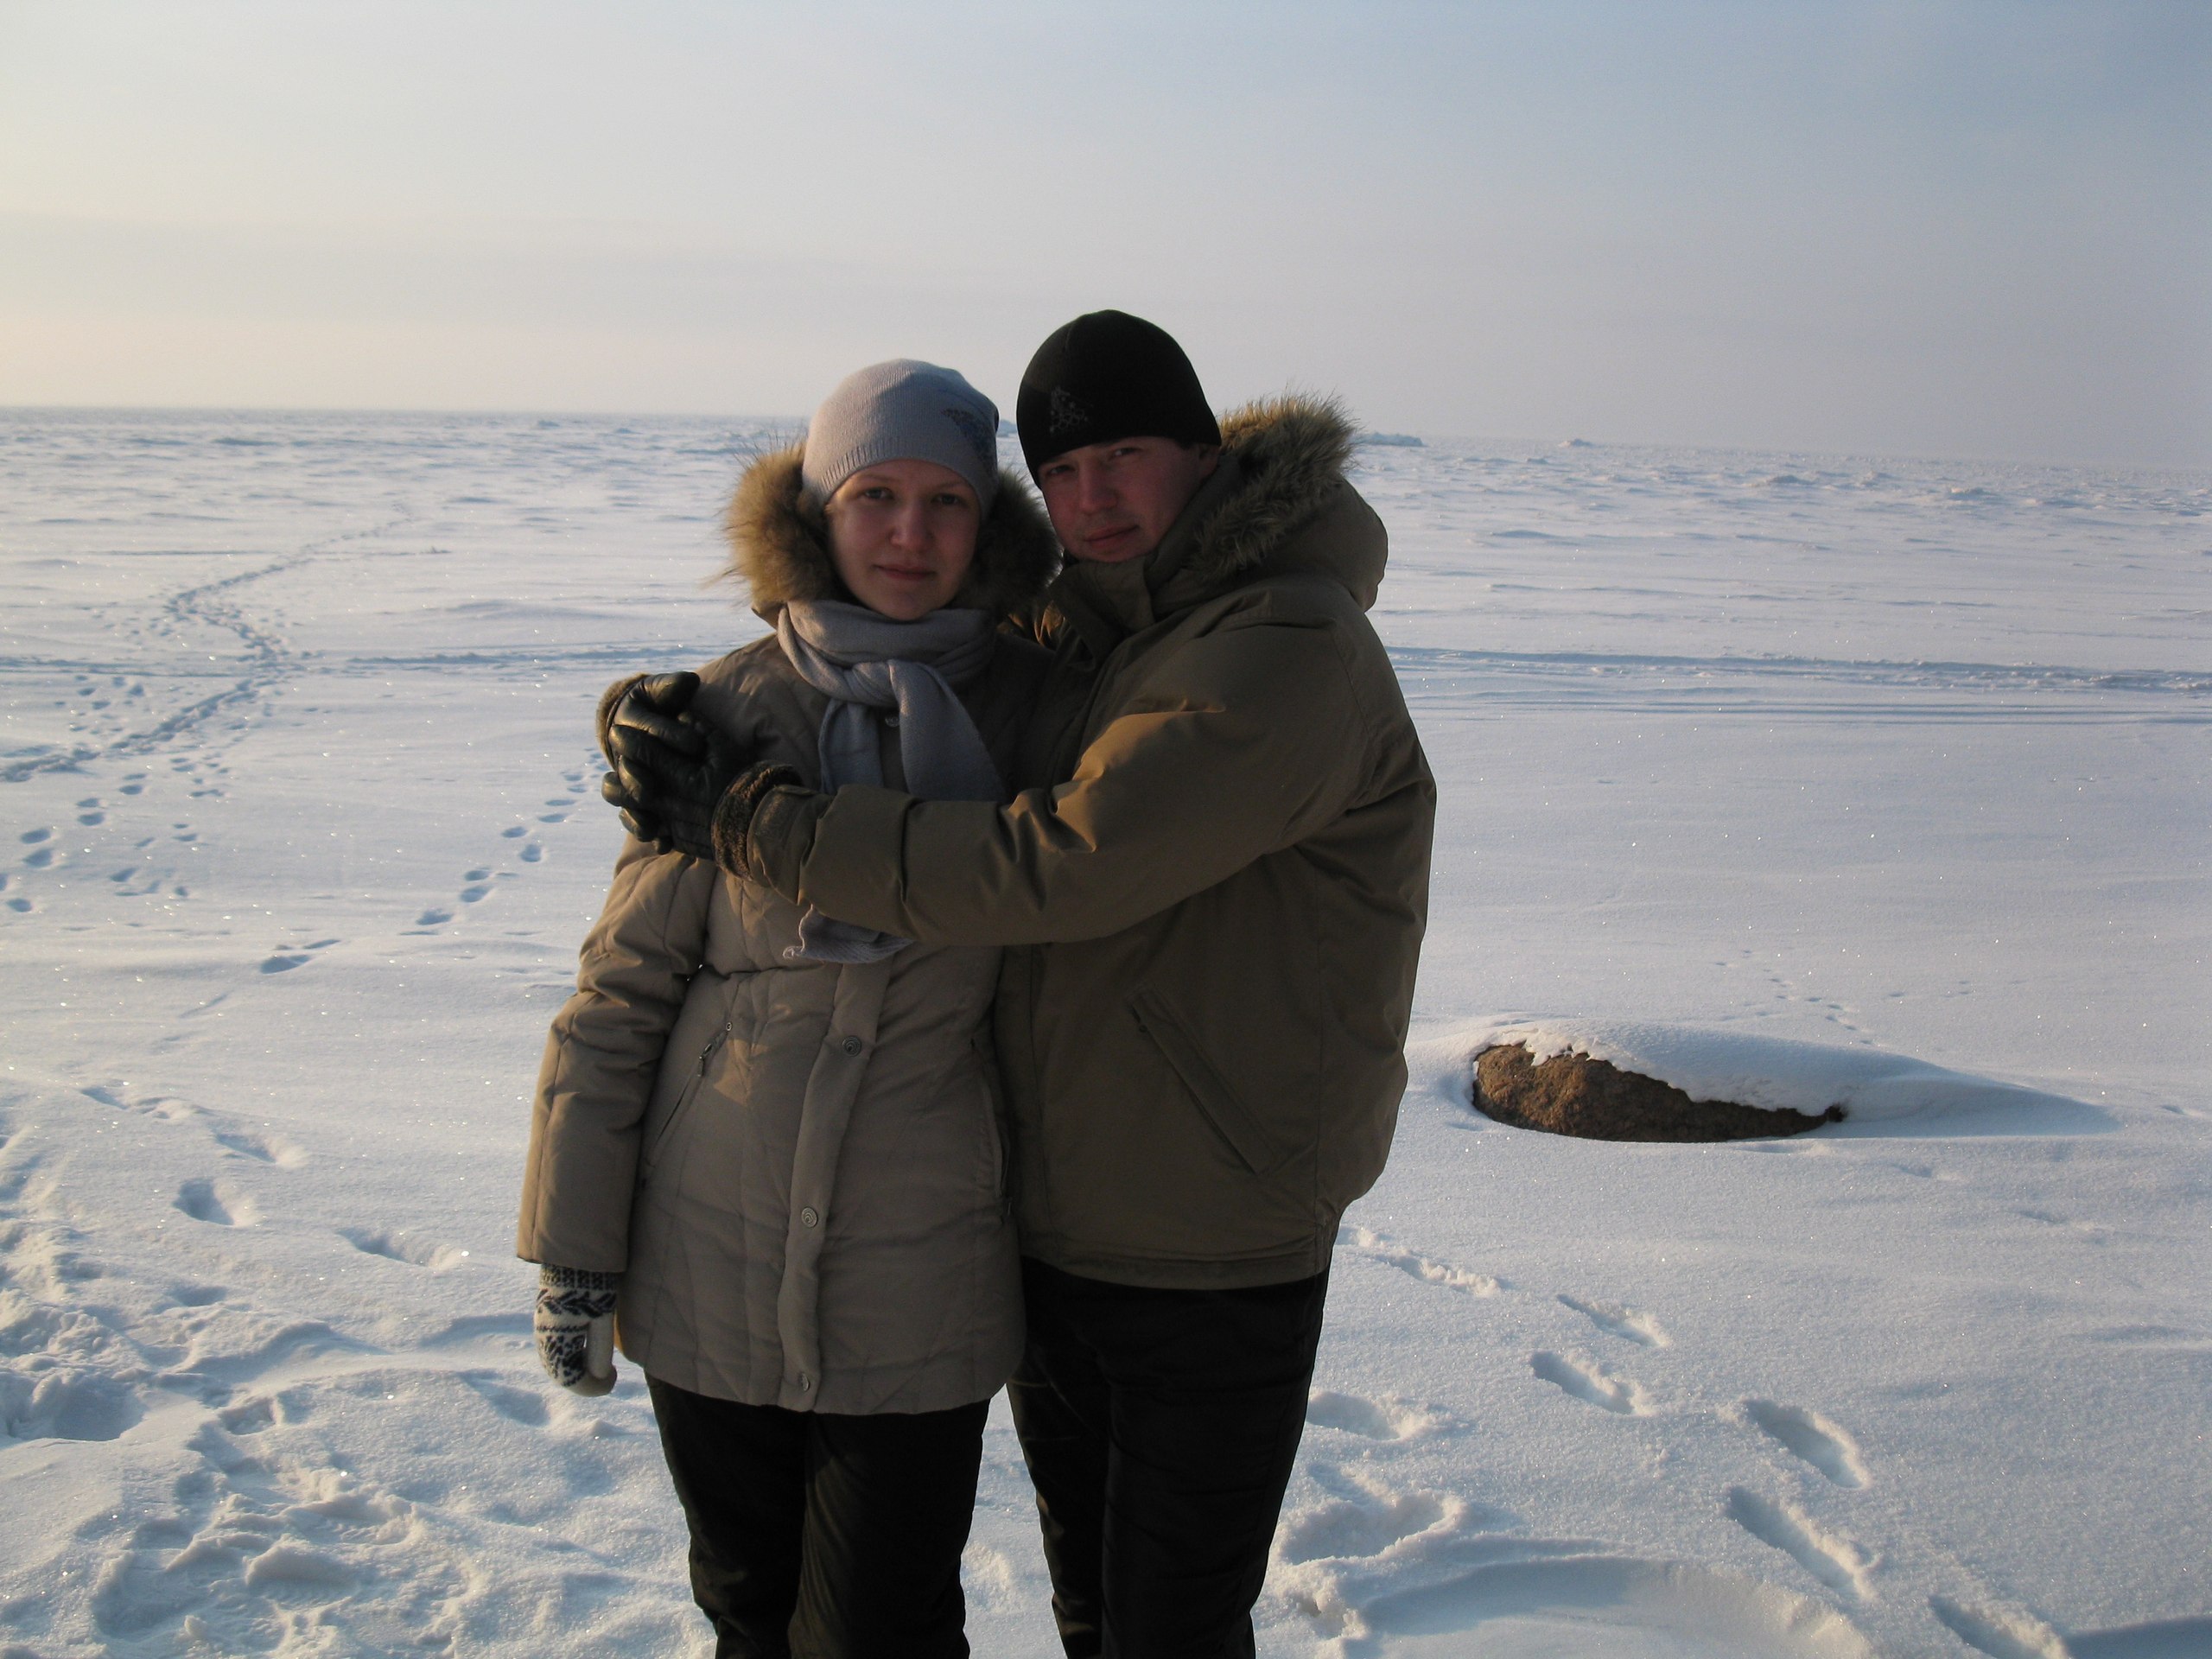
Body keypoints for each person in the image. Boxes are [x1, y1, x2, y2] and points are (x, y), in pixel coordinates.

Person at [607, 312, 1435, 1657]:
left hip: (1216, 1239)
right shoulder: (1098, 630)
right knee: (1097, 1615)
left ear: (1205, 452)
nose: (1092, 495)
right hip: (1058, 1220)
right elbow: (858, 648)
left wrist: (757, 822)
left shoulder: (1287, 646)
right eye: (1061, 472)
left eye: (1124, 456)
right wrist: (659, 714)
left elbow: (1062, 864)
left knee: (1167, 1633)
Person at [517, 359, 1058, 1658]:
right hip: (707, 1254)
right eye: (875, 495)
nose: (911, 533)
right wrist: (575, 1255)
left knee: (884, 1630)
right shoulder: (725, 712)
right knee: (748, 1612)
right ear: (818, 513)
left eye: (947, 500)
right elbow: (619, 1000)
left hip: (923, 1274)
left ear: (988, 522)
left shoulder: (1042, 715)